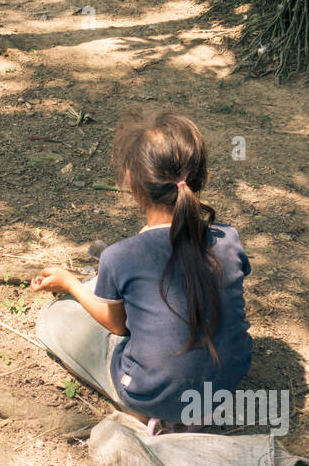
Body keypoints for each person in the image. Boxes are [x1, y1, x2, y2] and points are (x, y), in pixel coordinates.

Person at [31, 110, 252, 433]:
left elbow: (118, 327)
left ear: (132, 183)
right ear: (198, 177)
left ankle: (146, 413)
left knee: (54, 320)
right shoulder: (228, 238)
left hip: (154, 394)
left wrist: (72, 285)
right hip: (225, 384)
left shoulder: (121, 256)